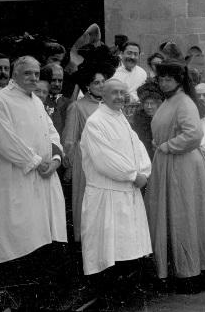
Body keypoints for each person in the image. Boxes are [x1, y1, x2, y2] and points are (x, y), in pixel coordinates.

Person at [0, 56, 67, 265]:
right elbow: (6, 141)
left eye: (37, 74)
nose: (33, 78)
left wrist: (56, 160)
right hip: (17, 177)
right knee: (20, 238)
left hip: (44, 175)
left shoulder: (36, 101)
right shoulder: (0, 101)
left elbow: (52, 133)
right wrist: (36, 161)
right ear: (15, 74)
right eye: (28, 73)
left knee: (44, 237)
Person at [145, 59, 205, 292]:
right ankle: (173, 270)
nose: (164, 83)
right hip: (168, 162)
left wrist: (167, 145)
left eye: (169, 79)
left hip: (181, 164)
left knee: (183, 215)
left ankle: (189, 273)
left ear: (178, 80)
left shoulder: (184, 102)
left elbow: (194, 134)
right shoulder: (169, 102)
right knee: (170, 215)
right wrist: (159, 142)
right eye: (161, 79)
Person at [79, 79, 152, 294]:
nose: (120, 96)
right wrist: (132, 175)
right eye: (115, 93)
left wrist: (144, 172)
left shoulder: (121, 118)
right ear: (103, 94)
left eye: (123, 92)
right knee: (108, 249)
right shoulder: (96, 122)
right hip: (107, 193)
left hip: (127, 190)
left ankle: (124, 291)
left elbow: (138, 148)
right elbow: (104, 159)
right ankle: (109, 294)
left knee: (126, 246)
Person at [62, 64, 110, 241]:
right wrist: (70, 165)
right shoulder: (77, 107)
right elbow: (69, 140)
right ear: (87, 86)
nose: (101, 85)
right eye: (96, 82)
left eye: (103, 81)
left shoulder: (109, 106)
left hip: (108, 162)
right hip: (86, 162)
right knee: (87, 202)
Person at [131, 80, 163, 160]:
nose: (149, 107)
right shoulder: (139, 118)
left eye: (152, 103)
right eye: (146, 103)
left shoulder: (164, 117)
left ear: (158, 104)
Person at [41, 63, 71, 136]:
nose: (57, 84)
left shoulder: (69, 103)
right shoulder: (39, 101)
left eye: (60, 81)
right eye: (53, 80)